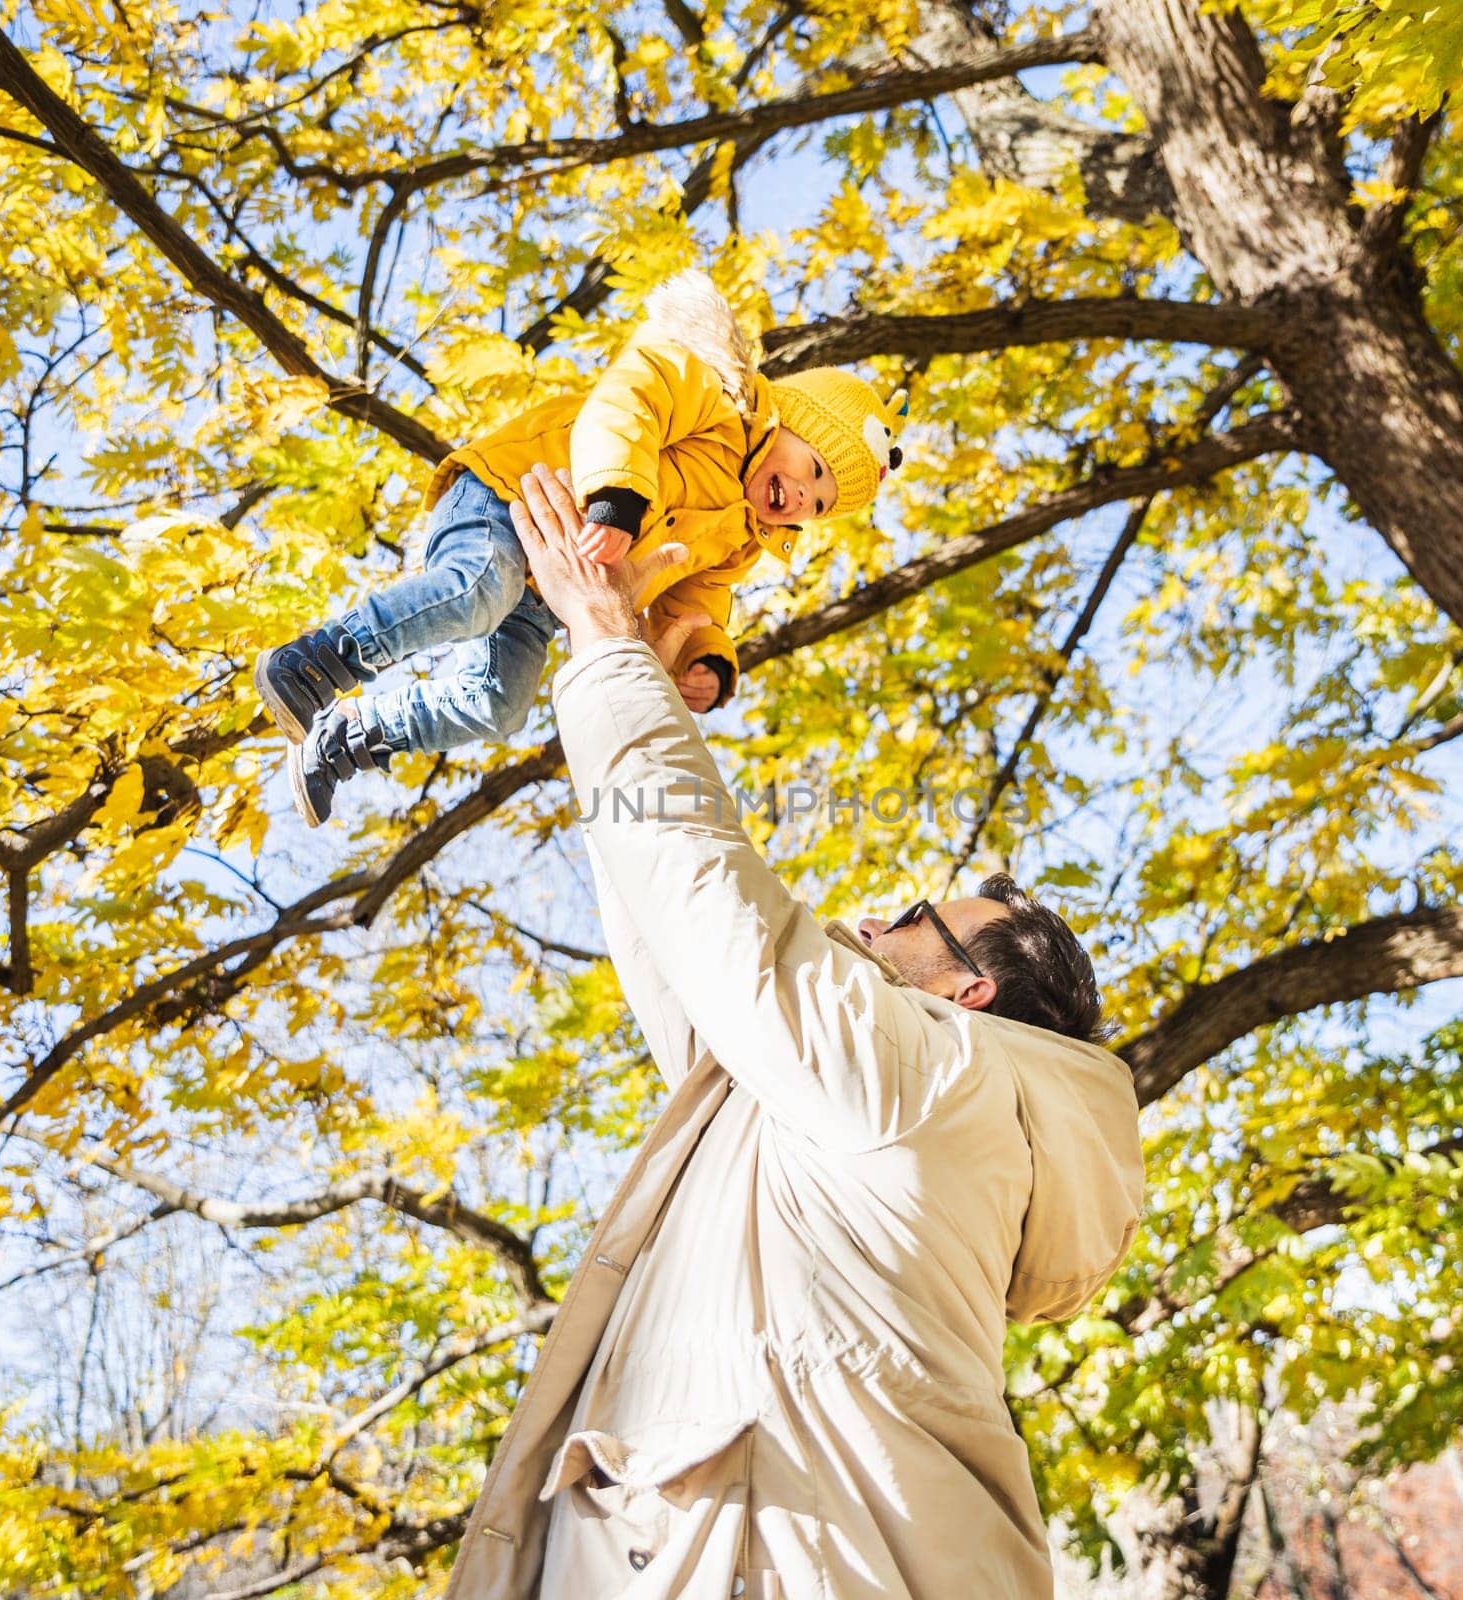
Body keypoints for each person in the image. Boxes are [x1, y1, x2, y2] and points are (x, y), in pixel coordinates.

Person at [438, 463, 1145, 1600]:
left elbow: (720, 909)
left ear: (969, 996)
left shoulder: (941, 1081)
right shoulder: (838, 1108)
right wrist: (628, 683)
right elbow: (683, 936)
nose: (870, 916)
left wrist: (611, 646)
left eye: (916, 920)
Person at [252, 271, 908, 826]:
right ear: (790, 421)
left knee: (502, 705)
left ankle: (346, 741)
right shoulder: (719, 399)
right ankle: (319, 661)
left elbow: (698, 597)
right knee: (479, 590)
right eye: (815, 471)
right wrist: (615, 498)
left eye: (820, 506)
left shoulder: (742, 541)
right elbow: (629, 403)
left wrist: (708, 658)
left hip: (548, 593)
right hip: (515, 498)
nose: (802, 499)